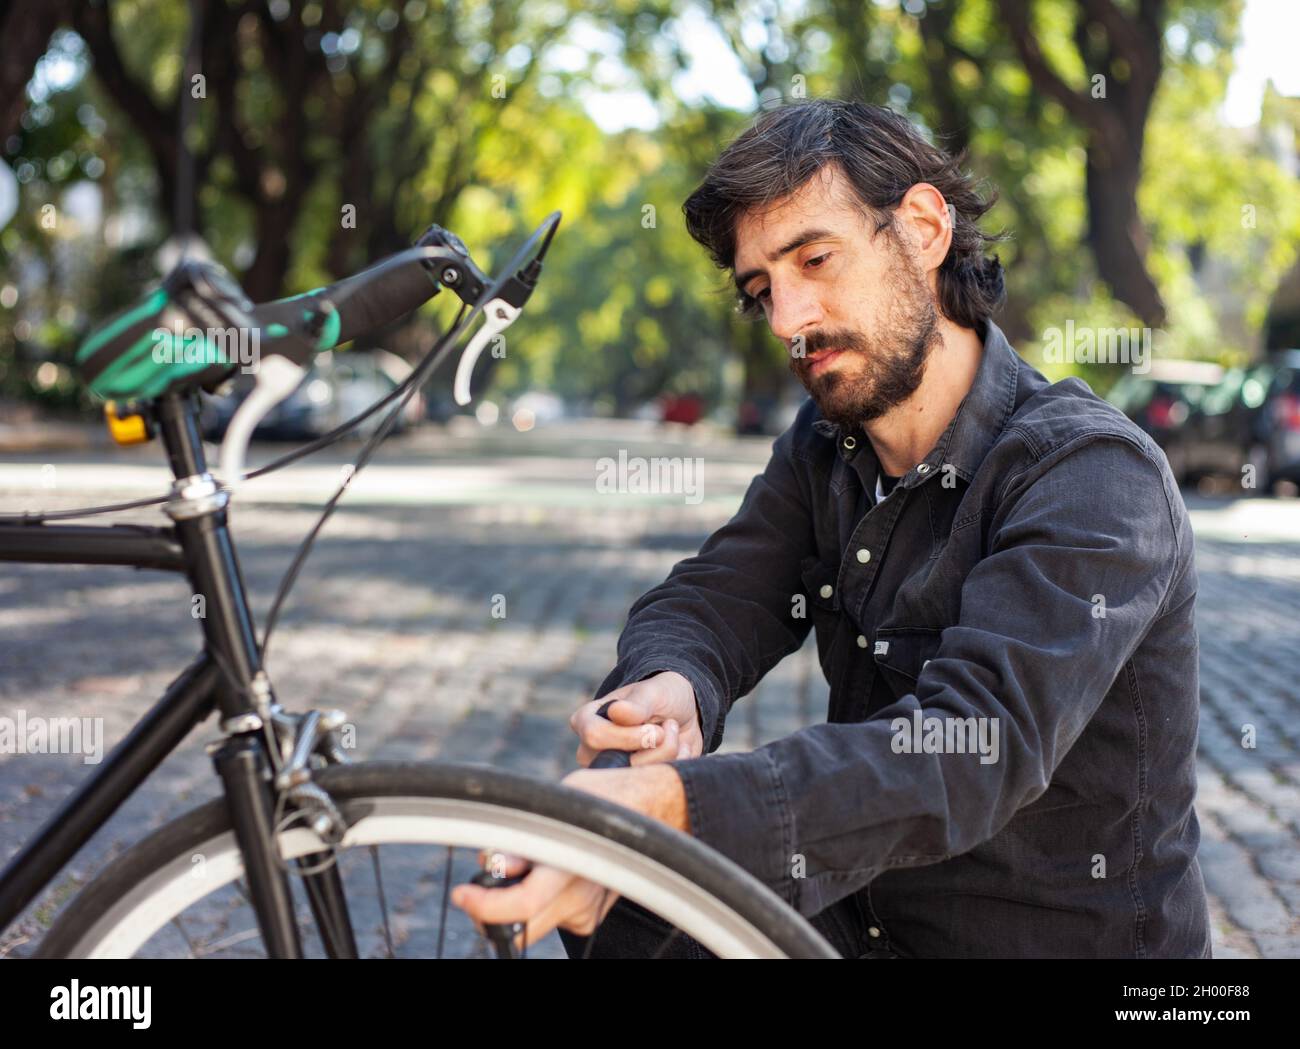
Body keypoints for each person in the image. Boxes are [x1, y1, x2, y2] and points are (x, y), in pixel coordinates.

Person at [452, 99, 1212, 959]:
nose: (787, 319)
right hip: (866, 919)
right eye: (761, 289)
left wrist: (684, 807)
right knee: (629, 896)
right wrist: (675, 682)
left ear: (924, 228)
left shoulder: (1092, 476)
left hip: (1052, 944)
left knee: (653, 847)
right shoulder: (825, 447)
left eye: (815, 258)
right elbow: (715, 594)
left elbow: (969, 749)